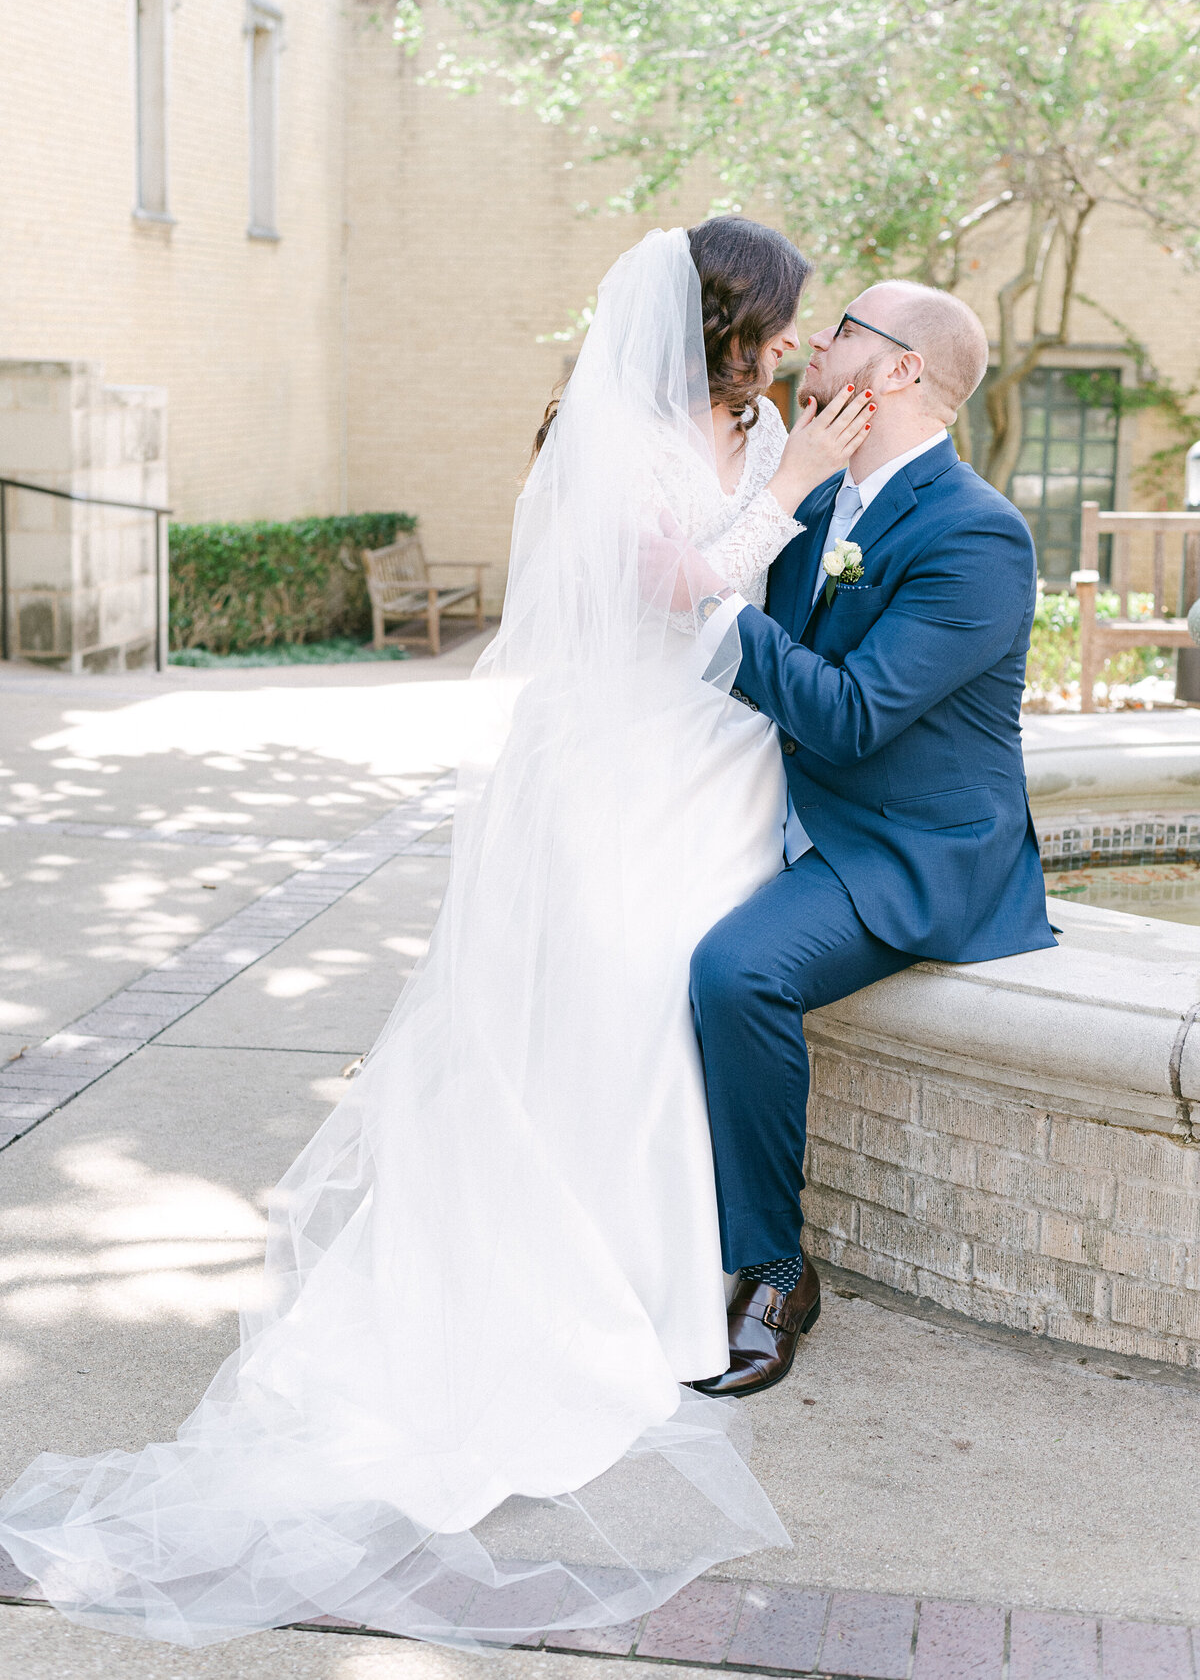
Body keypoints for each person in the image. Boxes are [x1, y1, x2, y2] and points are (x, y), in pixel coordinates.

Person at [0, 221, 871, 1651]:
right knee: (596, 1000)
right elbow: (664, 594)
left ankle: (669, 1269)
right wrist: (786, 485)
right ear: (726, 323)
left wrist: (787, 468)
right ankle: (581, 1289)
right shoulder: (624, 434)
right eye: (778, 324)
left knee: (671, 1006)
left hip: (721, 766)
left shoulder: (765, 421)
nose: (792, 345)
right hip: (610, 763)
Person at [676, 280, 1056, 1399]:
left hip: (905, 845)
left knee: (734, 970)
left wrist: (708, 608)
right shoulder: (809, 493)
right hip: (781, 806)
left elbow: (847, 712)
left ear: (894, 372)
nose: (815, 345)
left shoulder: (977, 533)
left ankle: (775, 1270)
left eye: (843, 330)